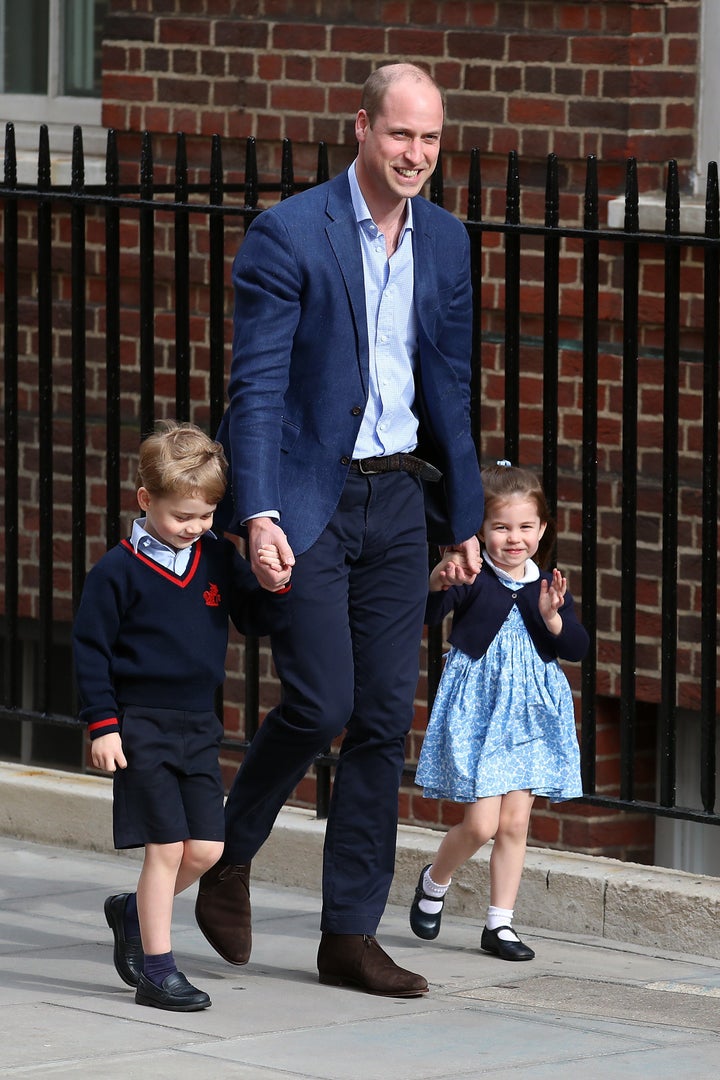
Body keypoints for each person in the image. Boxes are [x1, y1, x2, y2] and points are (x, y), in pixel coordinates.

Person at [194, 62, 484, 997]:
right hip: (313, 499)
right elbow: (259, 389)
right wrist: (259, 513)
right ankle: (231, 855)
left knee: (377, 722)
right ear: (360, 128)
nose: (416, 155)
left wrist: (466, 518)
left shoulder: (447, 240)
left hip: (401, 502)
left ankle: (349, 937)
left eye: (431, 138)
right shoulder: (290, 234)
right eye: (401, 135)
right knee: (320, 701)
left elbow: (451, 384)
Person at [72, 421, 290, 1012]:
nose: (196, 527)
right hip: (139, 724)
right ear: (146, 501)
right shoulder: (115, 573)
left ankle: (134, 914)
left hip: (198, 726)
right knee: (165, 849)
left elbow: (254, 618)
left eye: (206, 515)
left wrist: (271, 585)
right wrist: (102, 724)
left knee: (206, 852)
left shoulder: (217, 555)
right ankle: (157, 972)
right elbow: (90, 653)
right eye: (182, 516)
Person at [409, 462, 588, 960]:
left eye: (526, 527)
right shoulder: (471, 575)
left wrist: (553, 618)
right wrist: (436, 582)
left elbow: (577, 647)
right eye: (502, 527)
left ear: (543, 530)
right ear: (481, 530)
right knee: (481, 824)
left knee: (514, 825)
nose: (514, 538)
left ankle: (500, 924)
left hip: (531, 713)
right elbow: (425, 618)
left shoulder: (545, 585)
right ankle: (434, 879)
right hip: (480, 710)